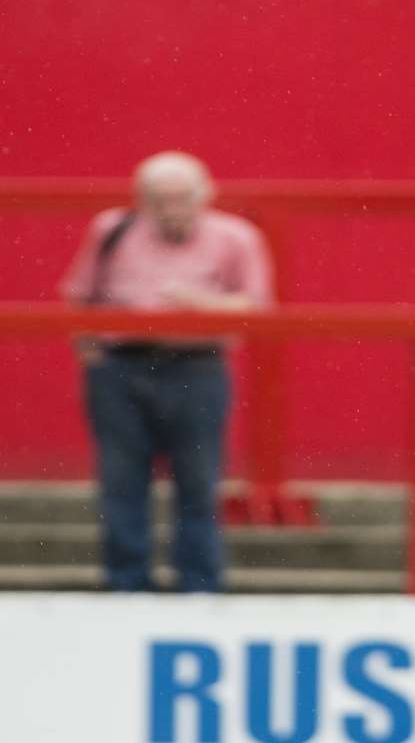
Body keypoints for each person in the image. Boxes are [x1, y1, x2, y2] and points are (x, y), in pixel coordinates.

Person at [58, 151, 272, 593]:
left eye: (183, 198)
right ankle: (126, 583)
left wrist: (200, 306)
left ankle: (199, 585)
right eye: (159, 200)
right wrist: (90, 350)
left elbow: (257, 307)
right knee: (121, 482)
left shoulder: (236, 238)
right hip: (121, 365)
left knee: (198, 483)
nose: (172, 209)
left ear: (205, 196)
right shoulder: (111, 230)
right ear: (141, 200)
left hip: (197, 365)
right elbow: (79, 293)